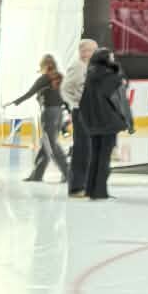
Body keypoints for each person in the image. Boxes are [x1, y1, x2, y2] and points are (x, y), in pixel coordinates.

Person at [74, 45, 133, 201]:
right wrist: (129, 121)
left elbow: (84, 101)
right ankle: (100, 192)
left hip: (92, 122)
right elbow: (121, 102)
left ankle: (90, 189)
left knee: (95, 156)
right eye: (112, 57)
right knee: (104, 158)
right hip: (108, 122)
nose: (114, 59)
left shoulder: (90, 75)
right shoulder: (114, 77)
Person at [6, 53, 68, 182]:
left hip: (49, 113)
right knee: (47, 144)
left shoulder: (44, 78)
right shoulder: (61, 77)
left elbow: (29, 93)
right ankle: (37, 174)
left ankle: (68, 173)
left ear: (43, 65)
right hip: (59, 113)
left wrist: (14, 102)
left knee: (51, 144)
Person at [61, 36, 97, 197]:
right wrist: (74, 103)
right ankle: (76, 186)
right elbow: (65, 89)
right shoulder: (77, 66)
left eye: (90, 50)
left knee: (90, 149)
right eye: (83, 50)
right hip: (81, 111)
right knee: (82, 148)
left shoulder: (94, 66)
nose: (86, 53)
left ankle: (87, 184)